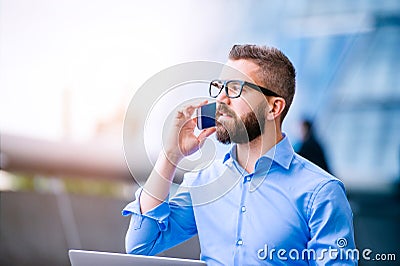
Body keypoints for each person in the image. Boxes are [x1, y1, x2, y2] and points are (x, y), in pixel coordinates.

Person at [122, 45, 357, 265]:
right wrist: (171, 156)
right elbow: (140, 245)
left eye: (235, 89)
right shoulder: (204, 181)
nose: (221, 100)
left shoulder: (321, 193)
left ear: (273, 108)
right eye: (220, 87)